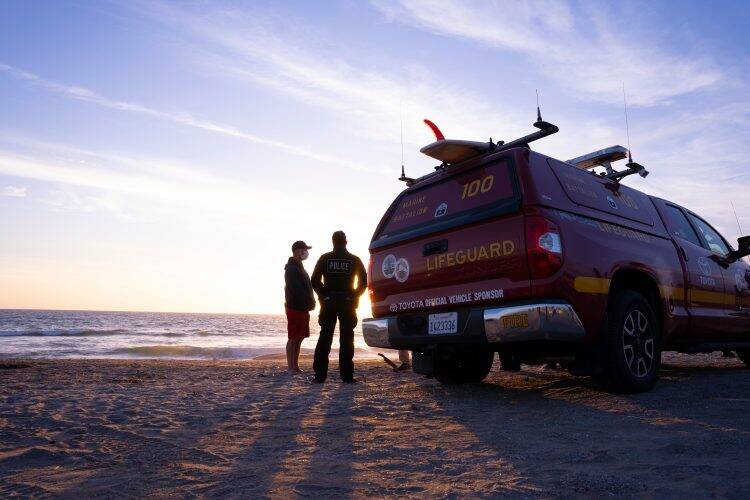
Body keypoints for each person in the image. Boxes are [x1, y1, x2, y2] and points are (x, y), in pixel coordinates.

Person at [311, 230, 367, 383]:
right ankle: (347, 376)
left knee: (325, 338)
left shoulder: (325, 258)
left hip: (329, 302)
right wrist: (353, 296)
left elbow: (314, 280)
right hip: (347, 302)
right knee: (347, 339)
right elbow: (363, 282)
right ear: (346, 242)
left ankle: (320, 376)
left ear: (333, 242)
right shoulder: (354, 259)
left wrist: (325, 296)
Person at [284, 240, 315, 375]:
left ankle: (295, 366)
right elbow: (296, 290)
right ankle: (291, 367)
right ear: (298, 251)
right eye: (304, 249)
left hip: (303, 308)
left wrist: (310, 302)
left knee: (300, 337)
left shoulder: (300, 267)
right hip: (295, 307)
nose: (306, 252)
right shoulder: (291, 268)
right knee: (293, 337)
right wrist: (308, 301)